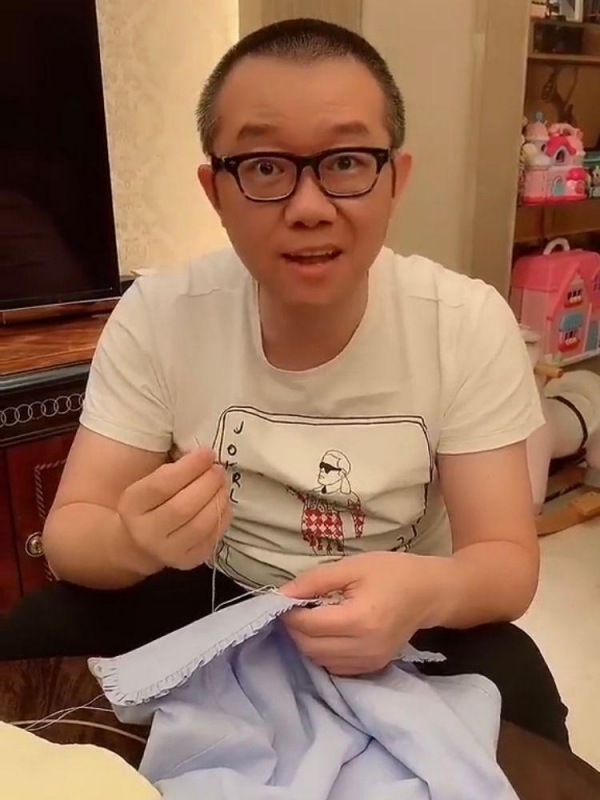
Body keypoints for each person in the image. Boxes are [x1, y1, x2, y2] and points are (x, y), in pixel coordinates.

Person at [1, 18, 569, 748]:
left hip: (402, 605)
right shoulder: (162, 312)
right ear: (215, 190)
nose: (308, 208)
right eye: (266, 167)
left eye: (346, 162)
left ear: (396, 179)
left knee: (523, 693)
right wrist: (135, 541)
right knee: (37, 631)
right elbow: (71, 534)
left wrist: (427, 591)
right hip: (217, 590)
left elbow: (506, 562)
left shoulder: (463, 321)